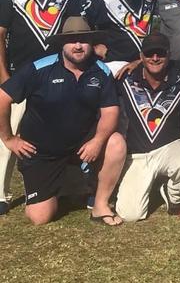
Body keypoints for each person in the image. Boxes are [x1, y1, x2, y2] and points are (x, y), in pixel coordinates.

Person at [0, 16, 126, 225]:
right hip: (42, 152)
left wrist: (97, 141)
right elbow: (3, 98)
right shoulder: (38, 68)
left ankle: (100, 205)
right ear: (61, 44)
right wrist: (8, 138)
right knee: (39, 217)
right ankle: (70, 184)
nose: (78, 46)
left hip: (82, 147)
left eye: (83, 40)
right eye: (72, 40)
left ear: (91, 43)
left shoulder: (101, 71)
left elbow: (110, 111)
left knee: (116, 143)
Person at [0, 0, 76, 215]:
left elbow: (75, 29)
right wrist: (3, 75)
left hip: (57, 72)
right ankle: (1, 192)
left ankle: (66, 186)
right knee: (8, 132)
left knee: (62, 131)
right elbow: (0, 35)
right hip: (21, 73)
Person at [115, 32, 180, 221]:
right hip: (137, 154)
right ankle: (152, 184)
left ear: (169, 55)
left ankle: (174, 197)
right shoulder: (125, 78)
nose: (155, 58)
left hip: (169, 148)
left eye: (160, 53)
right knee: (130, 215)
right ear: (141, 56)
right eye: (149, 54)